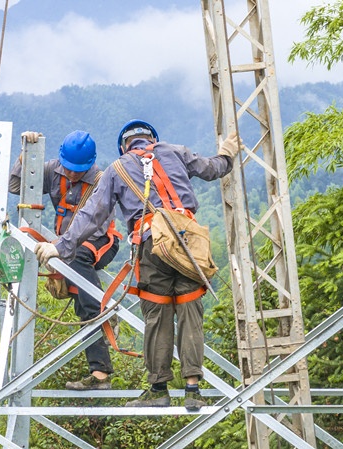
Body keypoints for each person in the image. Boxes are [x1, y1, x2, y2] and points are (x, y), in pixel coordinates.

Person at [33, 119, 239, 411]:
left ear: (124, 146)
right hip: (190, 242)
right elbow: (212, 169)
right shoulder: (175, 151)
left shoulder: (117, 169)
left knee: (158, 315)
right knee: (191, 312)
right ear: (152, 139)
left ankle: (158, 389)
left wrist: (60, 247)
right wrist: (228, 153)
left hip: (153, 242)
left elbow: (91, 215)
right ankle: (193, 388)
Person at [9, 129, 121, 391]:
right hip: (64, 247)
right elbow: (15, 187)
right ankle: (100, 372)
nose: (71, 174)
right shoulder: (53, 171)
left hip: (100, 242)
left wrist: (61, 247)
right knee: (84, 306)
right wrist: (26, 156)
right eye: (68, 168)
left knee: (83, 273)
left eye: (78, 170)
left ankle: (103, 313)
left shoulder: (102, 181)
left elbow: (96, 227)